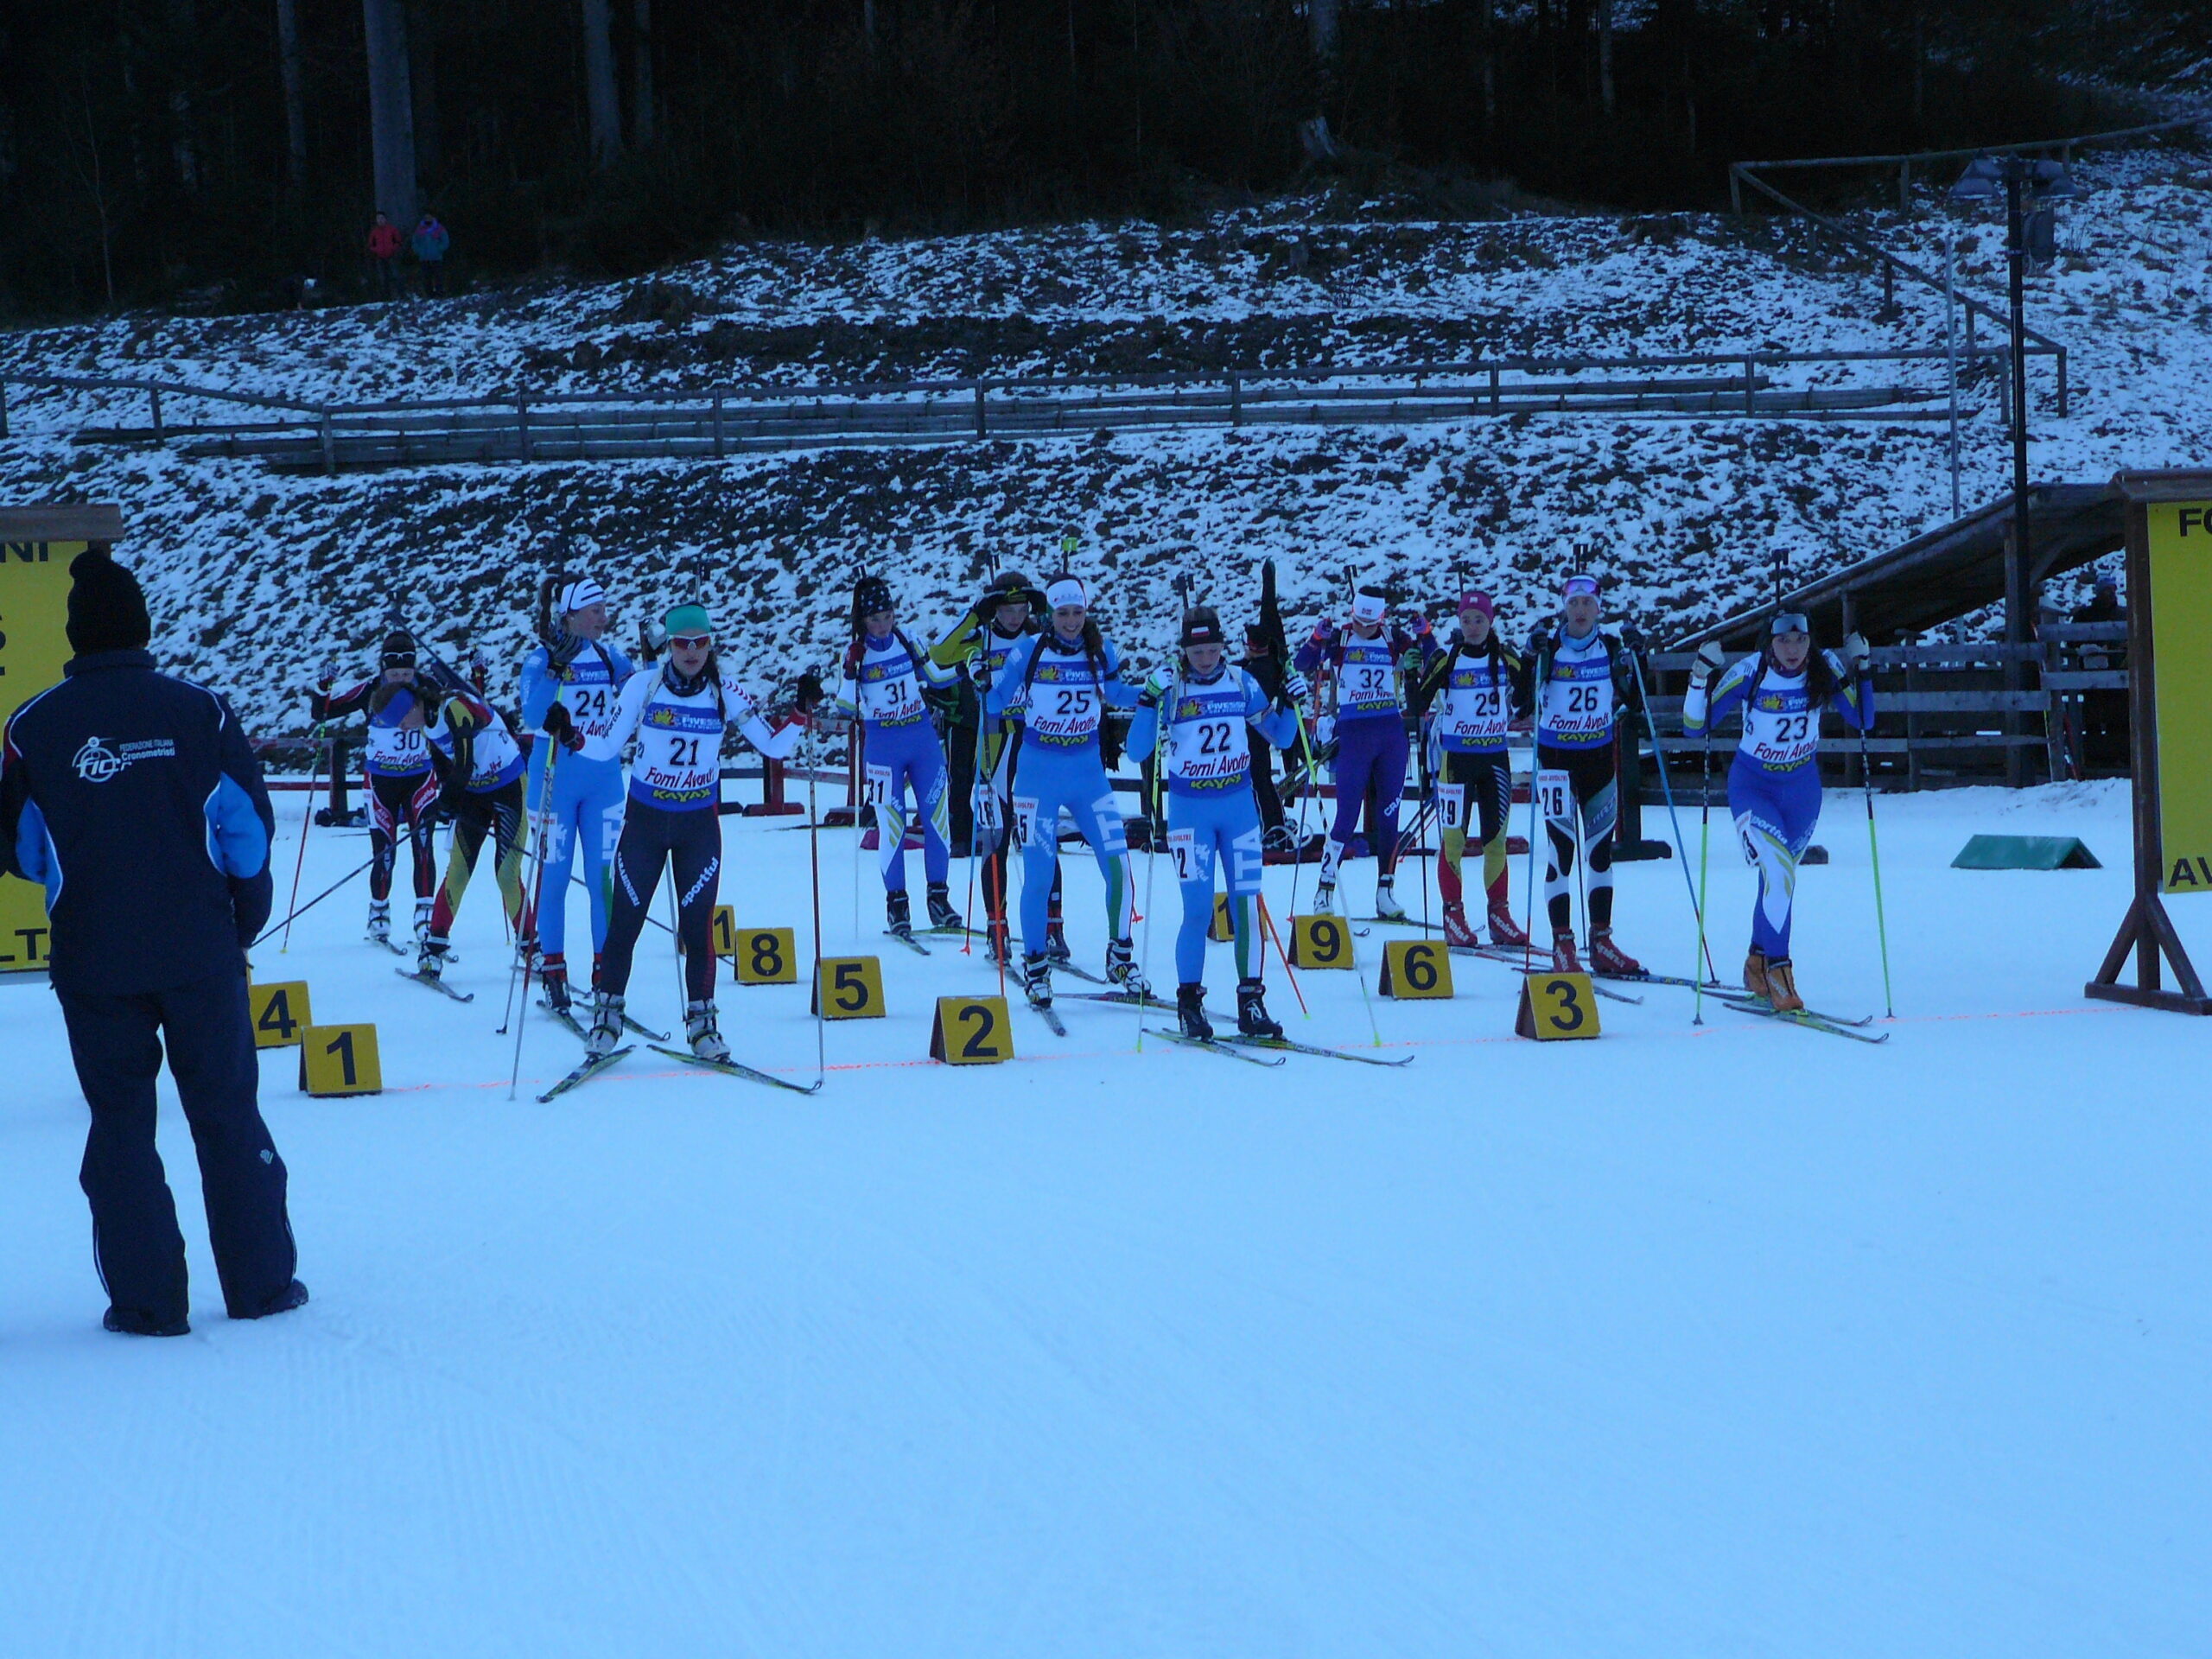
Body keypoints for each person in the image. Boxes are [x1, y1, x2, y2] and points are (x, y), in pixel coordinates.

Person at [0, 551, 304, 1337]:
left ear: (75, 635)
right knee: (227, 1114)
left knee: (121, 1126)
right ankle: (262, 1286)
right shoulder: (199, 711)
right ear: (142, 628)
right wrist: (243, 916)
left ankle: (147, 1303)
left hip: (94, 961)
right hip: (200, 952)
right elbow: (246, 832)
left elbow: (23, 849)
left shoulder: (32, 726)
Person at [582, 604, 804, 1059]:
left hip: (698, 827)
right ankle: (606, 1019)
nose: (690, 652)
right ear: (669, 645)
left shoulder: (725, 691)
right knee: (625, 923)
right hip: (645, 824)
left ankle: (703, 1027)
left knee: (698, 930)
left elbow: (774, 745)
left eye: (699, 642)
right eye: (681, 643)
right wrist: (570, 736)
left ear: (710, 644)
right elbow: (606, 745)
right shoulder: (644, 686)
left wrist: (801, 711)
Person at [1127, 606, 1305, 1040]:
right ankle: (1189, 1003)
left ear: (1223, 646)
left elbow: (1282, 736)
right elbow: (1135, 751)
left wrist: (1290, 699)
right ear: (1184, 651)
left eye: (1212, 649)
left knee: (1247, 906)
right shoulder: (1173, 687)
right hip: (1191, 815)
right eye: (1197, 651)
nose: (1205, 658)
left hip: (1239, 810)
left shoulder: (1241, 682)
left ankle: (1252, 1002)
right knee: (1198, 910)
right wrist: (1148, 700)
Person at [1683, 613, 1874, 1012]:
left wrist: (1863, 668)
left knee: (1777, 881)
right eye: (1784, 641)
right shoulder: (1751, 672)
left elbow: (1862, 719)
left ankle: (1756, 962)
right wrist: (1700, 674)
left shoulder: (1825, 667)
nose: (1792, 649)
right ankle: (1778, 970)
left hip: (1802, 792)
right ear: (1770, 642)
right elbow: (1695, 727)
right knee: (1780, 873)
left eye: (1800, 640)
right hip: (1754, 788)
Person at [989, 574, 1148, 1010]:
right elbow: (996, 702)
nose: (1072, 621)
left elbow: (1117, 693)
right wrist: (979, 679)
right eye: (1063, 613)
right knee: (1039, 875)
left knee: (1119, 866)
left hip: (1087, 775)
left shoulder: (1100, 649)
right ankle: (1036, 965)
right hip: (1037, 775)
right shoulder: (1029, 650)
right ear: (1050, 614)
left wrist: (1153, 692)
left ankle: (1120, 956)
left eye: (1078, 612)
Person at [928, 570, 1064, 961]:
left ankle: (1053, 927)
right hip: (992, 747)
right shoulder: (980, 639)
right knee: (995, 841)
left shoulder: (1040, 638)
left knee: (1042, 839)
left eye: (1021, 609)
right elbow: (939, 655)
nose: (1015, 617)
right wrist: (975, 614)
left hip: (1034, 743)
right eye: (1006, 609)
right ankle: (996, 927)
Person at [518, 576, 636, 1016]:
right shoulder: (540, 658)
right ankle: (553, 971)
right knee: (555, 878)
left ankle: (606, 975)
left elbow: (640, 693)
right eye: (595, 611)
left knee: (603, 878)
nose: (604, 618)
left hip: (603, 780)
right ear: (570, 616)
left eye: (604, 609)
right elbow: (533, 717)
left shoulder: (609, 656)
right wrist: (554, 671)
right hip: (554, 778)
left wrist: (651, 662)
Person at [1293, 584, 1441, 918]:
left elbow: (1435, 661)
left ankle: (1385, 892)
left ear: (1381, 618)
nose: (1363, 628)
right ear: (1352, 614)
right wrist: (1316, 639)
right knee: (1346, 817)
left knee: (1390, 817)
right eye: (1359, 621)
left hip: (1390, 734)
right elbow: (1302, 663)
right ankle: (1324, 891)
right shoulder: (1341, 638)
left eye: (1370, 623)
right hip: (1355, 735)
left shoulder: (1393, 637)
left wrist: (1426, 635)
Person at [1526, 571, 1644, 976]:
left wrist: (1638, 658)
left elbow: (1634, 699)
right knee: (1561, 853)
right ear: (1564, 607)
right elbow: (1522, 702)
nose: (1580, 610)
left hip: (1598, 760)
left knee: (1600, 853)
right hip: (1557, 762)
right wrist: (1531, 658)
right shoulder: (1550, 647)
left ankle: (1601, 940)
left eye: (1588, 603)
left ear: (1598, 609)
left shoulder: (1609, 648)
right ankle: (1562, 943)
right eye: (1573, 603)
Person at [835, 575, 960, 939]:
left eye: (887, 616)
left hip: (921, 740)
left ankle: (939, 898)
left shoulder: (908, 640)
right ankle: (897, 904)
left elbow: (935, 677)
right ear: (862, 620)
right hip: (882, 746)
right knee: (892, 827)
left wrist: (966, 669)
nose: (882, 625)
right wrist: (850, 671)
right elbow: (845, 707)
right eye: (874, 619)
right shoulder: (856, 651)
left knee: (938, 819)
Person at [1410, 591, 1528, 949]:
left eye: (1479, 620)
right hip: (1457, 763)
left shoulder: (1505, 657)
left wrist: (1535, 658)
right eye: (1466, 620)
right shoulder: (1448, 659)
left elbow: (1528, 695)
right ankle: (1453, 915)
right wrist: (1413, 673)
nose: (1473, 627)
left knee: (1496, 841)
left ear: (1490, 621)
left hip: (1494, 761)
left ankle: (1499, 915)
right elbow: (1417, 704)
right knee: (1453, 842)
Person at [415, 681, 531, 980]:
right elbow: (445, 762)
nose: (400, 726)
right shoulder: (424, 723)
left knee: (507, 874)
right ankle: (434, 946)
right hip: (474, 793)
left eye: (400, 718)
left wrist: (446, 802)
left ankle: (533, 948)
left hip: (508, 787)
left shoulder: (454, 708)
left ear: (417, 705)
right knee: (458, 870)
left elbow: (464, 764)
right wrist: (448, 799)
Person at [356, 633, 442, 949]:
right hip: (381, 781)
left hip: (419, 778)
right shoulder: (371, 689)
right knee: (384, 850)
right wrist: (324, 687)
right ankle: (378, 910)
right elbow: (324, 710)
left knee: (423, 845)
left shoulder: (427, 686)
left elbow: (462, 703)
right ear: (384, 668)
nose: (401, 679)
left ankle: (425, 913)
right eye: (395, 674)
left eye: (407, 673)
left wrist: (477, 676)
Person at [1238, 621, 1293, 849]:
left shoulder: (1253, 672)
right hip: (1260, 730)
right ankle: (1276, 826)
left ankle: (1271, 830)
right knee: (1263, 781)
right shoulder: (1270, 664)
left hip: (1253, 731)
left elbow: (1239, 674)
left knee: (1258, 782)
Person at [2071, 573, 2128, 773]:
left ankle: (2120, 758)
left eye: (2112, 589)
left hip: (2119, 674)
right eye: (2106, 590)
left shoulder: (2124, 614)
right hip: (2092, 676)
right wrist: (2088, 649)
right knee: (2093, 719)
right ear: (2098, 592)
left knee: (2119, 719)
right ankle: (2095, 759)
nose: (2110, 593)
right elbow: (2071, 642)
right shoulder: (2084, 616)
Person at [411, 213, 451, 297]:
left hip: (437, 257)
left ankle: (440, 293)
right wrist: (419, 251)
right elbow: (415, 242)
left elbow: (445, 241)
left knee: (438, 276)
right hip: (424, 258)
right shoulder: (419, 229)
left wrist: (438, 250)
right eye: (426, 217)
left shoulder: (439, 228)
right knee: (426, 277)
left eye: (429, 217)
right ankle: (429, 294)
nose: (428, 219)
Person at [367, 211, 403, 301]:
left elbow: (398, 241)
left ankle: (401, 295)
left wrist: (393, 249)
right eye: (378, 219)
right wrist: (376, 250)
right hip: (380, 257)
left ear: (385, 219)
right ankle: (387, 297)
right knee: (383, 278)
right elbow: (371, 245)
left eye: (382, 218)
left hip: (392, 256)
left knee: (396, 276)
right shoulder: (374, 232)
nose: (380, 220)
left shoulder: (392, 229)